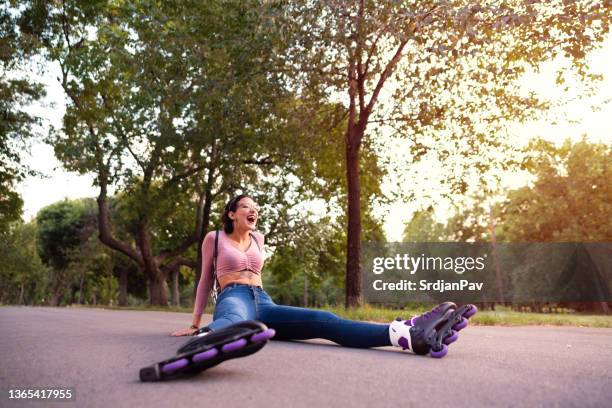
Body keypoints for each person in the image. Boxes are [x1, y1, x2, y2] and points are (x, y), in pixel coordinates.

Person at [171, 194, 476, 357]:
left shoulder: (259, 238)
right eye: (246, 207)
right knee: (234, 318)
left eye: (256, 208)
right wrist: (195, 322)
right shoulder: (214, 237)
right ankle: (208, 339)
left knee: (324, 319)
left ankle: (406, 335)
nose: (254, 211)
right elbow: (203, 282)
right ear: (231, 213)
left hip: (264, 302)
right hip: (233, 294)